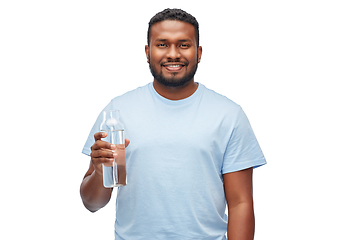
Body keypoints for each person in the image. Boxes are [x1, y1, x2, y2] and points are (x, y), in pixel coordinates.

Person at [80, 8, 266, 240]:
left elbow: (241, 203)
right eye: (162, 44)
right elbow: (92, 203)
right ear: (147, 52)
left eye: (184, 45)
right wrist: (99, 172)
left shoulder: (228, 115)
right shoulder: (117, 113)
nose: (173, 54)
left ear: (199, 52)